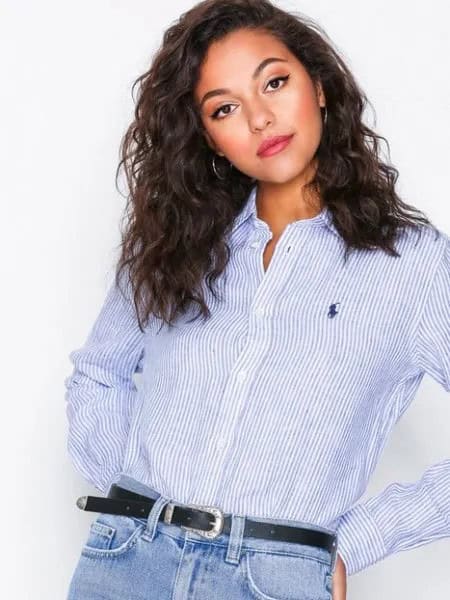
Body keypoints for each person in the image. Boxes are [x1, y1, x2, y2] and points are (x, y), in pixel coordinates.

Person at [64, 0, 449, 598]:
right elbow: (99, 372)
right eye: (225, 108)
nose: (262, 119)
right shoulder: (175, 244)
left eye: (275, 82)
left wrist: (356, 543)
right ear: (211, 140)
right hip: (127, 564)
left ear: (319, 87)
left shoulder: (413, 264)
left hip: (276, 577)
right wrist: (129, 501)